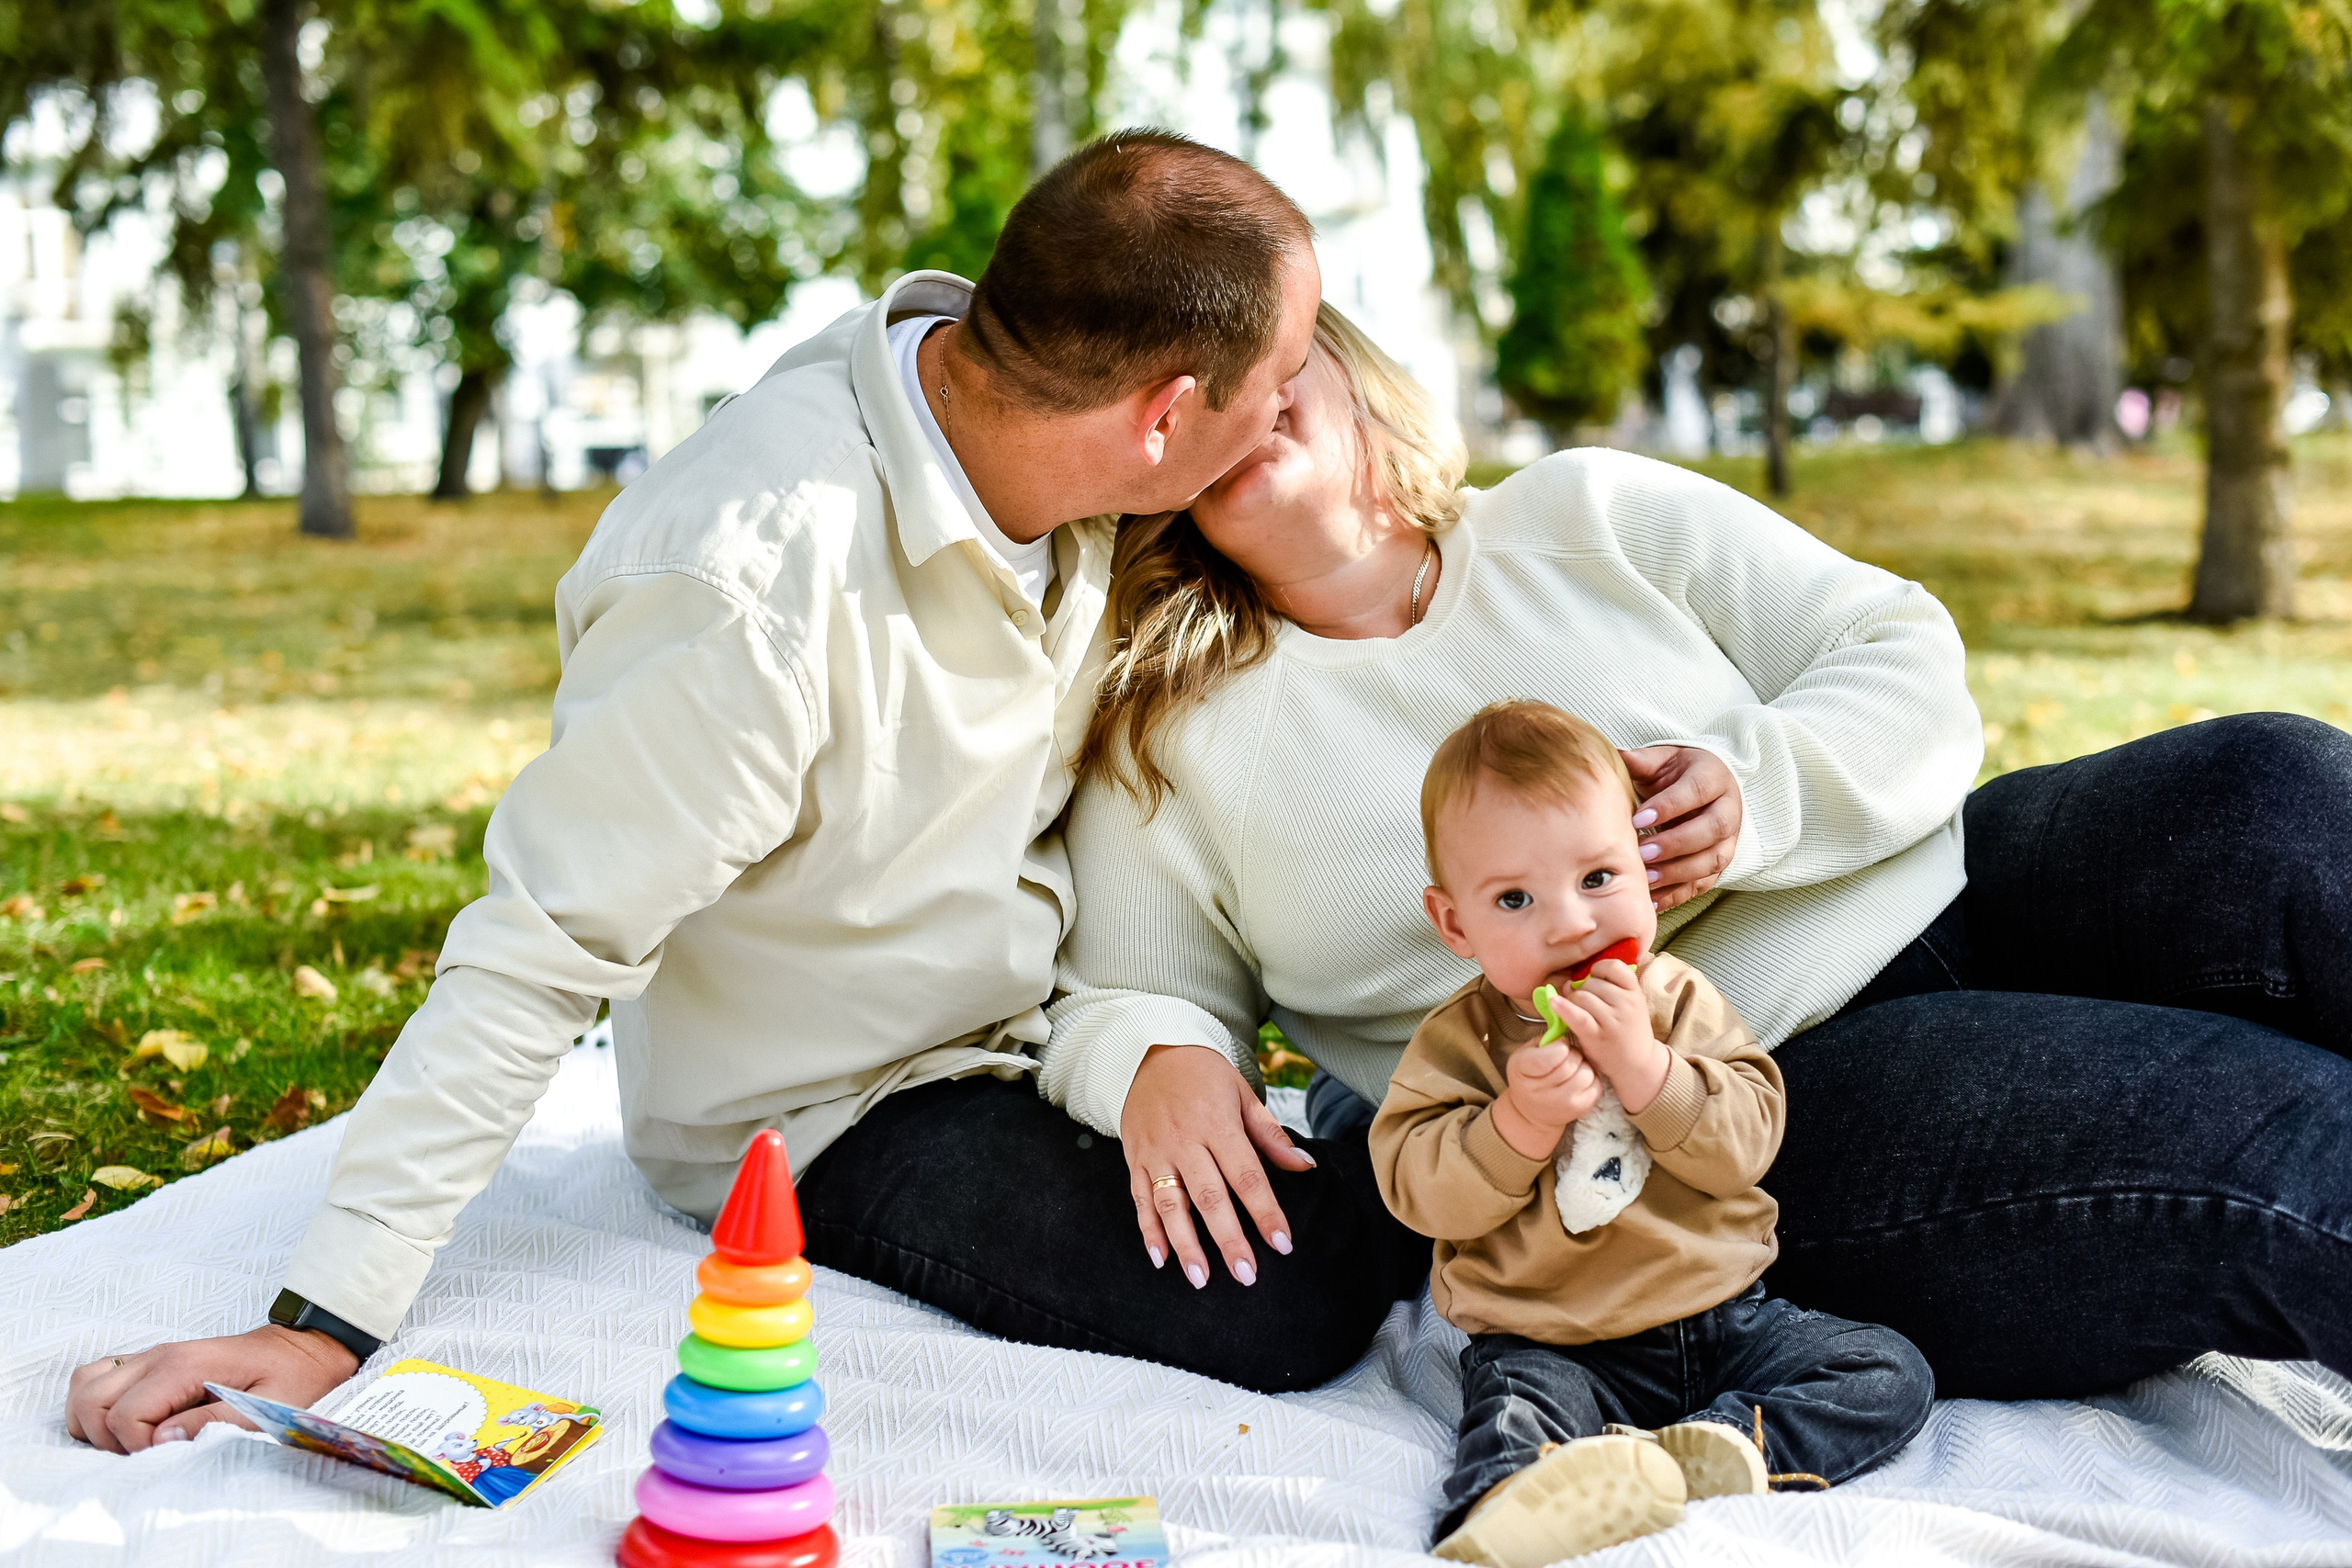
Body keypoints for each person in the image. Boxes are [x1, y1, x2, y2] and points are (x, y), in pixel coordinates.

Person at [62, 128, 1335, 1452]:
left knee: (1362, 1193)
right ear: (1164, 417)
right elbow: (537, 949)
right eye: (1285, 379)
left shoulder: (1045, 422)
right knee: (1279, 1295)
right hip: (844, 1103)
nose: (1297, 406)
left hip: (1058, 1017)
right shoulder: (745, 593)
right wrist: (320, 1321)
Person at [1042, 298, 2352, 1414]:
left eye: (1260, 348)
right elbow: (1126, 991)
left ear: (1339, 358)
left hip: (1958, 879)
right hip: (1731, 1105)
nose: (1235, 394)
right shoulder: (1175, 731)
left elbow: (1895, 645)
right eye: (1186, 385)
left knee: (2274, 786)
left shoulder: (1586, 507)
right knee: (2286, 1139)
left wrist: (1753, 791)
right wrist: (1154, 1057)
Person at [1374, 701, 1928, 1567]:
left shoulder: (1679, 1003)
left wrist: (1649, 1073)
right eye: (1515, 898)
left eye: (1598, 877)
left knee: (1887, 1370)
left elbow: (1747, 1144)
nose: (1569, 922)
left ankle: (1719, 1448)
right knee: (1514, 1418)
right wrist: (1516, 1124)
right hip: (1549, 1341)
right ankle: (1506, 1512)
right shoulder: (1459, 1044)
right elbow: (1420, 1192)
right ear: (1454, 924)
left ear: (1644, 868)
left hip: (1722, 1319)